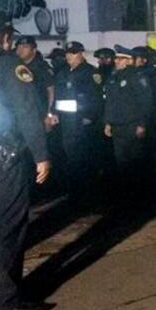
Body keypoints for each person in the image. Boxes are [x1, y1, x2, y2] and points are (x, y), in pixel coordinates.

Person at [0, 12, 54, 310]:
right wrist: (41, 155)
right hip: (0, 162)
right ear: (4, 37)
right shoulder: (8, 66)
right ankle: (4, 300)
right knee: (7, 229)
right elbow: (28, 114)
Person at [53, 41, 103, 204]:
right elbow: (58, 95)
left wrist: (89, 116)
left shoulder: (90, 72)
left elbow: (96, 98)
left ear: (81, 54)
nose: (69, 56)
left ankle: (85, 192)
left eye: (73, 53)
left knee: (83, 158)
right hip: (66, 122)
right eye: (67, 53)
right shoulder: (62, 72)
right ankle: (73, 190)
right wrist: (54, 112)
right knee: (69, 157)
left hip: (82, 123)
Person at [103, 46, 153, 194]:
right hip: (117, 125)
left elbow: (146, 102)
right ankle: (126, 190)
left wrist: (142, 124)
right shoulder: (113, 77)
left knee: (135, 160)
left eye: (120, 59)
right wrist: (107, 122)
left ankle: (139, 191)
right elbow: (109, 102)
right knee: (121, 160)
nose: (116, 61)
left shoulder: (137, 76)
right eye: (116, 58)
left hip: (132, 124)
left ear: (129, 61)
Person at [14, 36, 55, 128]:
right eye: (19, 47)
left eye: (25, 47)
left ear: (34, 50)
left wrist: (49, 114)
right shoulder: (14, 66)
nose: (21, 50)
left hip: (38, 114)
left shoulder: (42, 68)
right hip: (19, 114)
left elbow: (51, 91)